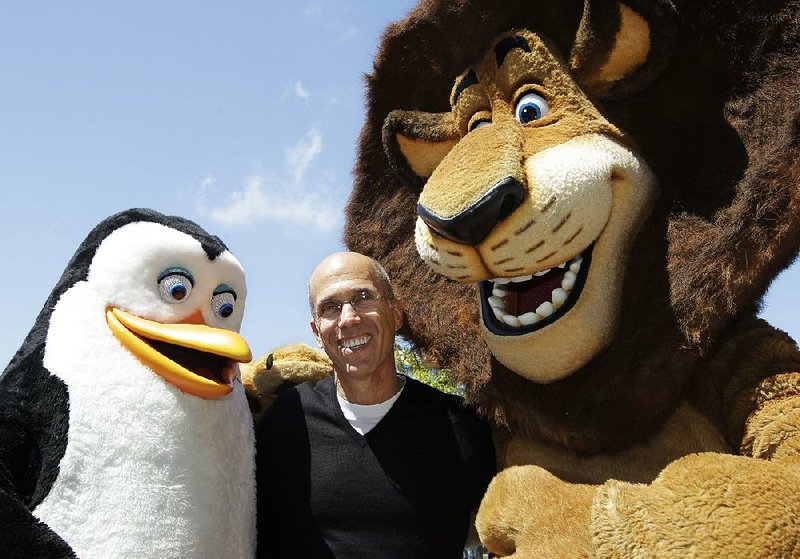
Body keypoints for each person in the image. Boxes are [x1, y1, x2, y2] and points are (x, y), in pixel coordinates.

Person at [255, 252, 496, 558]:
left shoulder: (463, 425)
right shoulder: (287, 423)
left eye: (363, 297)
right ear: (317, 331)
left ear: (395, 313)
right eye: (330, 307)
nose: (349, 318)